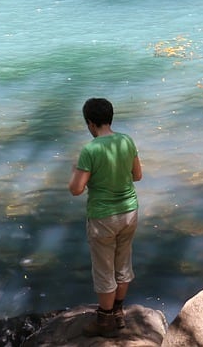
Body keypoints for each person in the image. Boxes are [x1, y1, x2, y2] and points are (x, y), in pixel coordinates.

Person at [68, 97, 142, 337]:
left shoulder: (90, 150)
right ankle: (119, 312)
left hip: (103, 218)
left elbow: (76, 189)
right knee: (123, 263)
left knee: (103, 269)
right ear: (110, 118)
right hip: (129, 212)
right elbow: (137, 175)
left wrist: (75, 170)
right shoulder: (126, 141)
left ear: (90, 123)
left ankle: (104, 320)